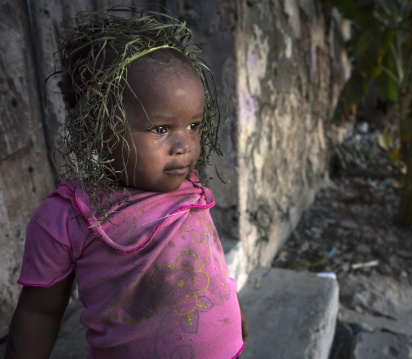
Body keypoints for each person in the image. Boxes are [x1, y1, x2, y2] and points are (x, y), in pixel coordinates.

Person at [4, 6, 247, 359]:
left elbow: (209, 260)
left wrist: (234, 308)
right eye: (161, 129)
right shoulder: (68, 217)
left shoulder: (187, 185)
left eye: (193, 125)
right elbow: (39, 311)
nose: (184, 145)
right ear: (100, 128)